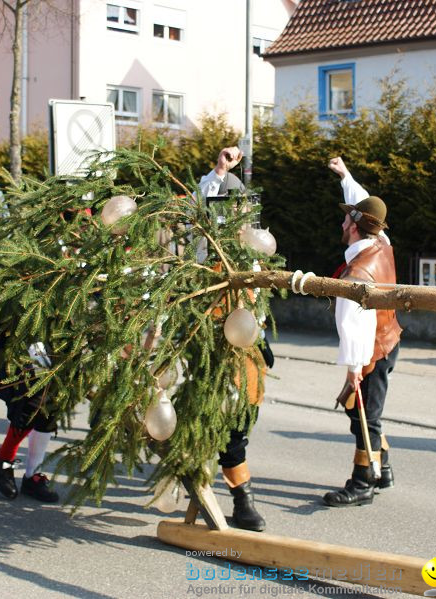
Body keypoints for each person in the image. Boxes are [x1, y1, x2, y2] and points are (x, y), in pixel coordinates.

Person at [197, 146, 268, 532]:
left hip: (246, 355)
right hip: (213, 353)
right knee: (224, 424)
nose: (244, 216)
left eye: (246, 211)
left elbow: (258, 305)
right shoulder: (209, 254)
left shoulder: (253, 256)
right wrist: (220, 170)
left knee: (241, 420)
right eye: (236, 209)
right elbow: (203, 198)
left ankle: (237, 494)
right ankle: (242, 499)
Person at [324, 159, 401, 508]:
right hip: (389, 342)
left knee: (363, 417)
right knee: (368, 413)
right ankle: (383, 468)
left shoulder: (357, 272)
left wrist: (354, 368)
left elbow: (354, 325)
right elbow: (369, 206)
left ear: (355, 227)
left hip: (370, 351)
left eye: (347, 217)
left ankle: (362, 481)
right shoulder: (381, 242)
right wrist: (346, 177)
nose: (342, 221)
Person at [0, 335, 59, 502]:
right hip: (29, 331)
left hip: (60, 327)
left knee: (53, 402)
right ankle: (4, 458)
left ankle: (33, 475)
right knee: (34, 397)